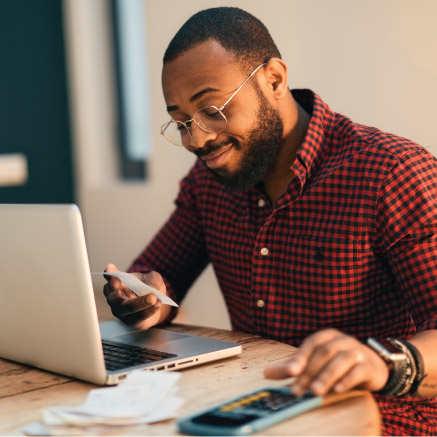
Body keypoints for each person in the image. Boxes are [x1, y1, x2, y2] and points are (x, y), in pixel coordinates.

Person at [103, 7, 437, 435]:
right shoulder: (209, 182)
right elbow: (156, 283)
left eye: (211, 109)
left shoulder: (390, 172)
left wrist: (382, 362)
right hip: (255, 410)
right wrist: (141, 299)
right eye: (181, 121)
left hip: (381, 418)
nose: (197, 139)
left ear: (274, 80)